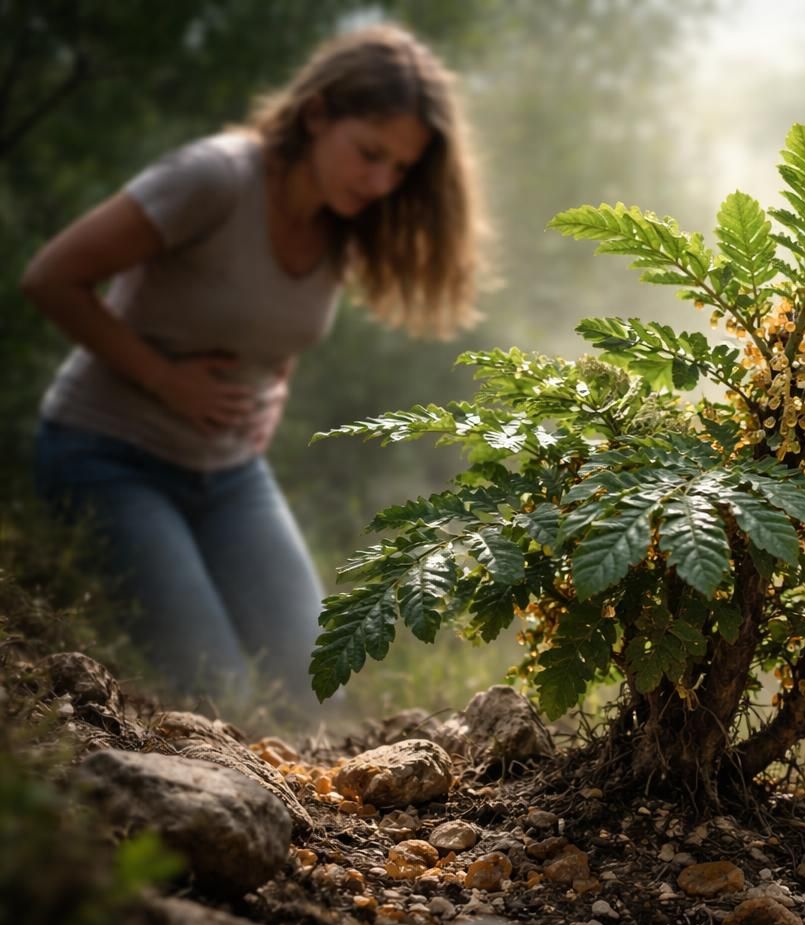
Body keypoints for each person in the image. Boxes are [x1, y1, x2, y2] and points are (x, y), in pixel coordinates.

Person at [23, 23, 486, 713]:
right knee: (223, 699)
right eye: (370, 154)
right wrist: (162, 377)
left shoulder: (343, 221)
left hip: (230, 471)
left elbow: (273, 325)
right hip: (107, 454)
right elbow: (51, 277)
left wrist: (273, 390)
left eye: (400, 168)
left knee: (323, 692)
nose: (382, 182)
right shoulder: (214, 177)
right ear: (317, 113)